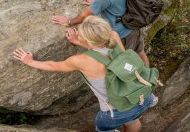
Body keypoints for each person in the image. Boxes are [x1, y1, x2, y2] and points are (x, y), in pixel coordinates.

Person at [13, 16, 156, 132]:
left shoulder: (80, 61)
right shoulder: (113, 36)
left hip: (116, 111)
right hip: (142, 96)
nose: (78, 34)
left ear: (88, 41)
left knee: (103, 129)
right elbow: (107, 53)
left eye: (80, 34)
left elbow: (54, 66)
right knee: (133, 122)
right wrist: (79, 41)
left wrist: (30, 62)